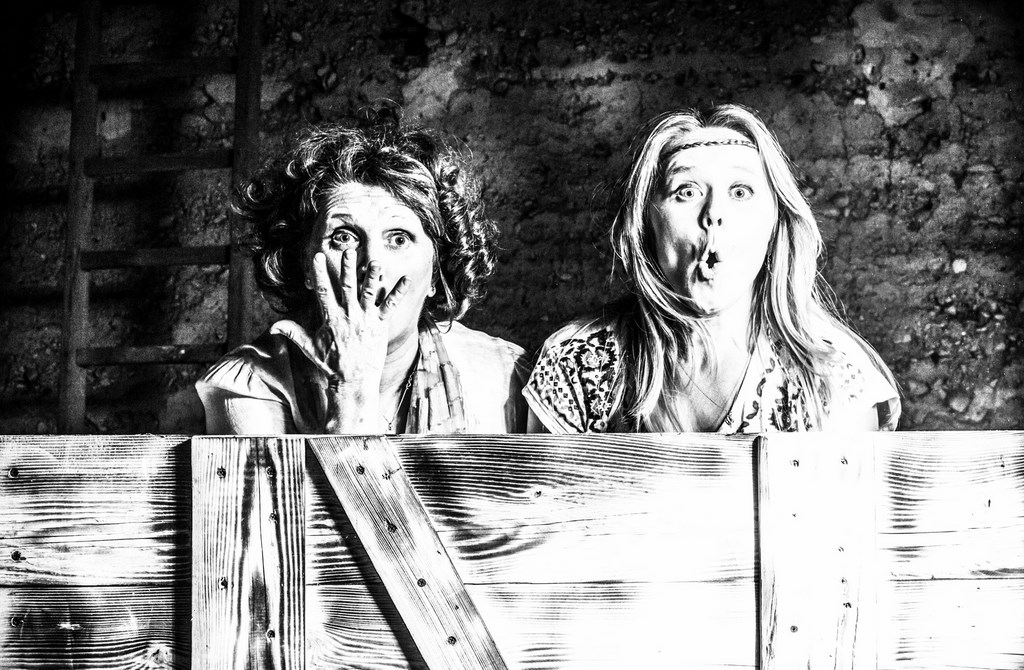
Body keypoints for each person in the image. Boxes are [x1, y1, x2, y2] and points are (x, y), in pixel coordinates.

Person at [524, 104, 900, 433]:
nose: (714, 213)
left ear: (775, 223)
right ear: (644, 222)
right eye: (686, 191)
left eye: (740, 191)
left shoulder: (833, 378)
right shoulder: (573, 365)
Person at [197, 107, 528, 434]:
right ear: (305, 264)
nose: (372, 266)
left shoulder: (504, 375)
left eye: (399, 239)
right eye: (343, 237)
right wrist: (352, 389)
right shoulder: (248, 384)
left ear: (436, 269)